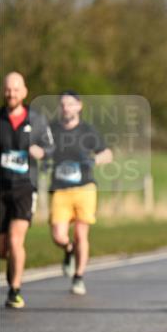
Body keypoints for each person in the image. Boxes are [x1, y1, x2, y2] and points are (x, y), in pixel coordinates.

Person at [47, 91, 113, 296]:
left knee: (80, 234)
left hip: (85, 188)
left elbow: (107, 154)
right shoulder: (52, 130)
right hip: (60, 188)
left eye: (70, 104)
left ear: (79, 106)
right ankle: (68, 251)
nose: (66, 108)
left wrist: (94, 161)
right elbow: (41, 149)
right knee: (59, 235)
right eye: (63, 104)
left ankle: (78, 277)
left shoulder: (87, 131)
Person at [1, 72, 53, 309]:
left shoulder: (37, 120)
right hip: (1, 188)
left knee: (15, 239)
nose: (11, 93)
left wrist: (42, 152)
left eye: (15, 89)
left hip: (24, 187)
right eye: (7, 89)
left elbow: (51, 146)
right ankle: (12, 278)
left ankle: (15, 290)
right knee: (3, 249)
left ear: (24, 91)